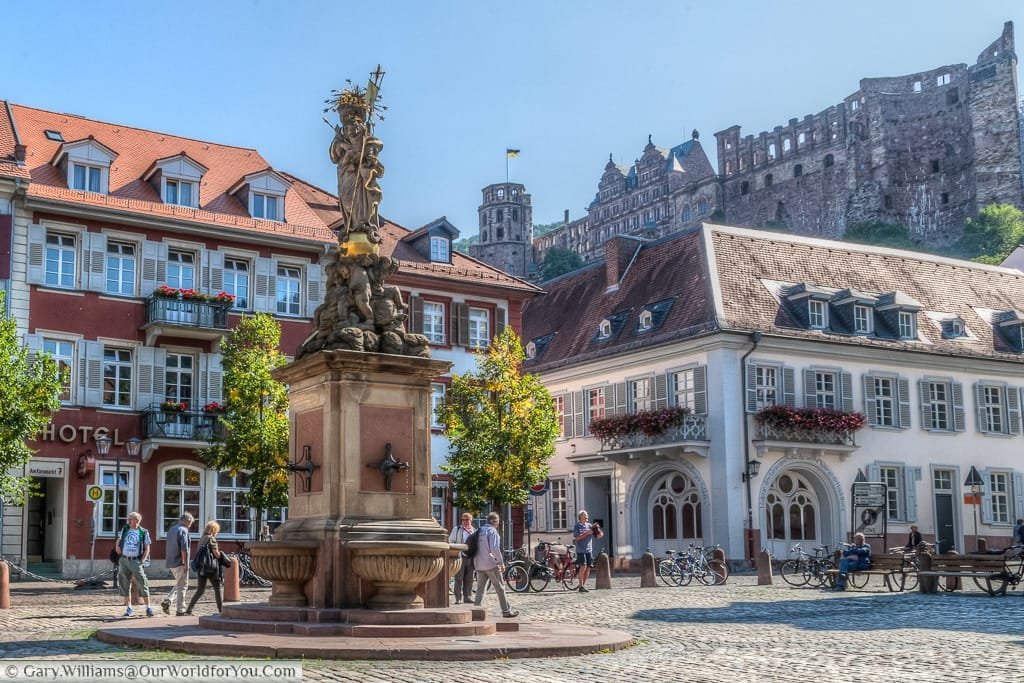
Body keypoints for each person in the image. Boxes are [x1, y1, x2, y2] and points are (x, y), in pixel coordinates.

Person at [472, 512, 518, 618]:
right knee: (500, 588)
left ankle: (476, 611)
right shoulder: (492, 531)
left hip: (478, 564)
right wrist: (500, 562)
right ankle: (506, 611)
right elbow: (495, 549)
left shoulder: (479, 530)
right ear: (496, 522)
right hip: (490, 564)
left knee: (480, 589)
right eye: (498, 522)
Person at [115, 511, 154, 617]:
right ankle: (129, 608)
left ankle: (148, 608)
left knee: (142, 582)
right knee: (124, 583)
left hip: (136, 560)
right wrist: (117, 547)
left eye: (130, 519)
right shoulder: (125, 529)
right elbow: (118, 541)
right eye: (128, 518)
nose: (128, 520)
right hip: (124, 560)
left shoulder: (143, 532)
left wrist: (142, 560)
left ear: (136, 520)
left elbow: (147, 548)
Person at [185, 520, 225, 615]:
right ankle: (221, 610)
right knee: (217, 588)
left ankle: (189, 608)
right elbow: (216, 554)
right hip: (211, 567)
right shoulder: (212, 539)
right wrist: (222, 555)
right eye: (217, 531)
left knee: (200, 590)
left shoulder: (202, 538)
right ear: (214, 530)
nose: (217, 533)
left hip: (202, 567)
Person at [161, 512, 194, 616]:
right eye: (190, 523)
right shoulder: (183, 530)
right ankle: (180, 610)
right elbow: (184, 549)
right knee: (183, 586)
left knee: (179, 583)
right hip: (180, 562)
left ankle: (168, 600)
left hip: (171, 562)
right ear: (187, 521)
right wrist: (185, 563)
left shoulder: (172, 529)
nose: (190, 526)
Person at [448, 512, 476, 604]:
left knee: (469, 579)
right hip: (460, 557)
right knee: (458, 579)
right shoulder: (457, 529)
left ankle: (467, 597)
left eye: (467, 519)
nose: (465, 521)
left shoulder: (474, 531)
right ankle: (458, 598)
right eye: (463, 519)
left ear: (471, 520)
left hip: (471, 557)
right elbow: (450, 541)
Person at [572, 510, 598, 593]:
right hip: (581, 550)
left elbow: (598, 535)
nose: (587, 516)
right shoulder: (577, 526)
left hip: (589, 550)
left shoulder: (590, 525)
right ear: (581, 516)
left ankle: (583, 585)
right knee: (583, 566)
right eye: (585, 515)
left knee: (588, 567)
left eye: (587, 514)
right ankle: (581, 586)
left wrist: (597, 530)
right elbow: (576, 538)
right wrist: (586, 533)